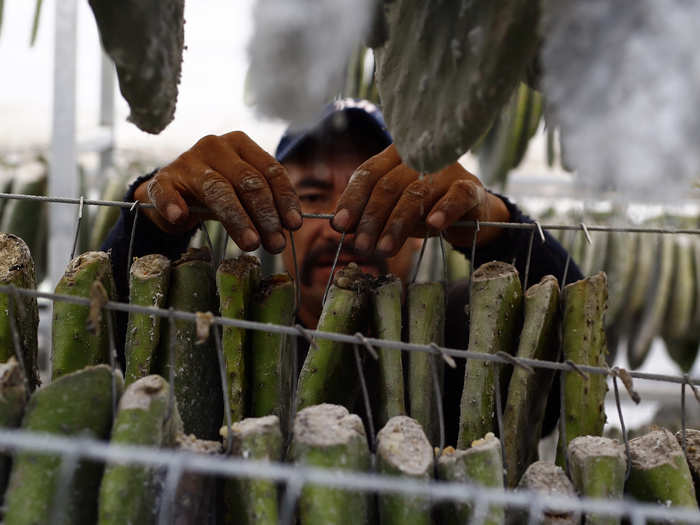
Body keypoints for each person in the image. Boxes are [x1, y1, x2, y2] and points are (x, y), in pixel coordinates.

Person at [103, 98, 582, 444]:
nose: (339, 224)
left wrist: (498, 224)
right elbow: (109, 324)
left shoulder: (466, 330)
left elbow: (574, 343)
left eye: (378, 198)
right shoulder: (222, 330)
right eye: (310, 197)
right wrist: (152, 217)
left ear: (425, 223)